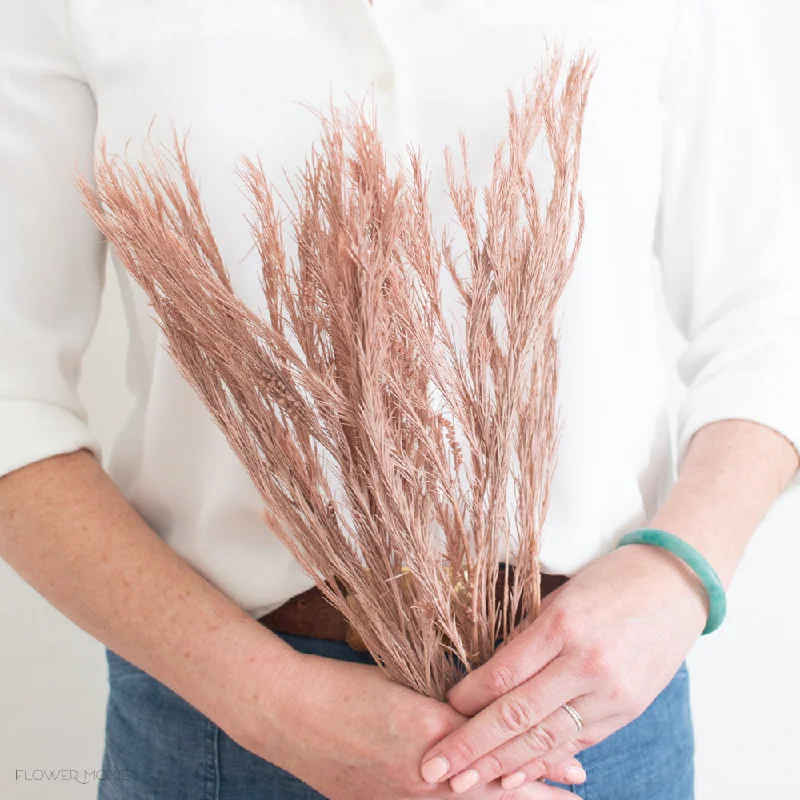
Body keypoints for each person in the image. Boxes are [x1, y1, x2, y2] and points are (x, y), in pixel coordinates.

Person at [1, 1, 799, 798]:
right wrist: (269, 702)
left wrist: (679, 575)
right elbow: (13, 400)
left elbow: (768, 319)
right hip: (226, 723)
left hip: (592, 707)